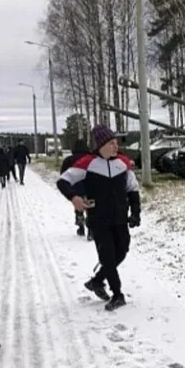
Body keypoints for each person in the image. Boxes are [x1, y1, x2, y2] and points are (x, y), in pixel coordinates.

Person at [57, 125, 140, 311]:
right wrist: (74, 198)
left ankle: (97, 280)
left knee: (123, 250)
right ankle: (117, 294)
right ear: (101, 145)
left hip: (120, 218)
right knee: (108, 256)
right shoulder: (88, 163)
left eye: (116, 142)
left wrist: (135, 212)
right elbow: (62, 181)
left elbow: (133, 189)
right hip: (99, 219)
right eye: (111, 143)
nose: (115, 146)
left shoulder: (123, 164)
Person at [60, 138, 92, 239]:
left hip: (75, 188)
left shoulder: (69, 160)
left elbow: (63, 175)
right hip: (89, 188)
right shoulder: (91, 158)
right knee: (90, 209)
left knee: (78, 207)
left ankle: (81, 226)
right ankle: (91, 231)